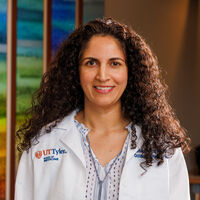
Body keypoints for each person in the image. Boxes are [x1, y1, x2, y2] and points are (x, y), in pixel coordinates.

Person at [15, 18, 191, 200]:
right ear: (76, 70)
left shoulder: (163, 148)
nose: (103, 75)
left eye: (115, 63)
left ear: (131, 71)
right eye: (91, 63)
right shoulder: (43, 144)